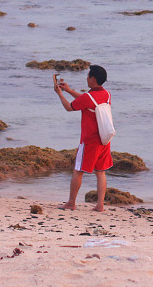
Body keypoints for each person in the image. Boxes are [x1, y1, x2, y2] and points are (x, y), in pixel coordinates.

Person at [55, 64, 111, 211]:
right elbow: (87, 101)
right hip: (104, 140)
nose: (86, 78)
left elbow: (69, 107)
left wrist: (60, 94)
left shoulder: (89, 97)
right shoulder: (106, 94)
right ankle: (100, 205)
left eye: (88, 76)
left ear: (93, 79)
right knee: (100, 172)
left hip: (90, 141)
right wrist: (68, 90)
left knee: (78, 171)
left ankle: (71, 203)